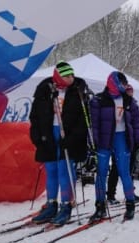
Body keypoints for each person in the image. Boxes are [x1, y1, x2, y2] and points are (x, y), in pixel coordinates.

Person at [29, 61, 89, 226]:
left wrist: (72, 138)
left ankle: (66, 205)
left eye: (72, 75)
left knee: (65, 171)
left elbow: (83, 120)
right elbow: (35, 116)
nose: (71, 78)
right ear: (58, 76)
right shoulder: (46, 90)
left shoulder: (77, 90)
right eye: (67, 75)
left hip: (67, 136)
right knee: (51, 170)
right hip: (49, 134)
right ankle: (51, 204)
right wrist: (38, 137)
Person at [88, 72, 139, 222]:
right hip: (104, 140)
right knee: (101, 173)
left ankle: (130, 205)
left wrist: (138, 139)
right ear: (115, 83)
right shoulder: (99, 100)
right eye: (123, 83)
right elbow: (94, 124)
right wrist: (93, 142)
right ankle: (100, 207)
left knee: (124, 172)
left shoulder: (128, 100)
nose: (125, 86)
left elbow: (137, 121)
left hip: (121, 138)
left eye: (126, 84)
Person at [106, 84, 139, 204]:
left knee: (130, 169)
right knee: (116, 169)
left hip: (130, 142)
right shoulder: (119, 103)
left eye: (131, 91)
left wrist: (138, 140)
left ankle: (130, 193)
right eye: (128, 91)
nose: (130, 93)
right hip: (119, 140)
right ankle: (110, 195)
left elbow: (137, 125)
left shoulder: (133, 104)